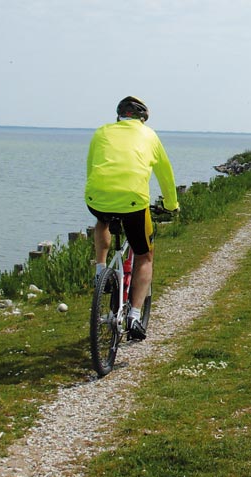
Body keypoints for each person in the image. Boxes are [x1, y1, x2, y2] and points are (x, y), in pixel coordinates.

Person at [85, 96, 179, 340]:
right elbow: (165, 175)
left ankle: (100, 269)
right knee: (145, 255)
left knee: (103, 221)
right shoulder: (149, 136)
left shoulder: (101, 133)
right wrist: (171, 204)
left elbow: (91, 167)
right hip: (133, 202)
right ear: (142, 119)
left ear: (119, 116)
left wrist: (97, 194)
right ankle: (135, 316)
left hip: (96, 197)